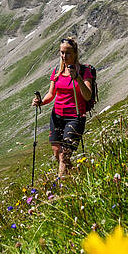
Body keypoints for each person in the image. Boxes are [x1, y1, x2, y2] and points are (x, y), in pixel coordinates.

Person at [32, 37, 92, 177]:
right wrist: (40, 102)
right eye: (62, 53)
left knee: (65, 154)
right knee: (56, 151)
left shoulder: (84, 71)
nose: (64, 56)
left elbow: (87, 95)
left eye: (68, 53)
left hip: (75, 117)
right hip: (57, 116)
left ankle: (60, 186)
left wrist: (77, 78)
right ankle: (76, 176)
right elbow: (51, 94)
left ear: (75, 53)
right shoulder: (57, 72)